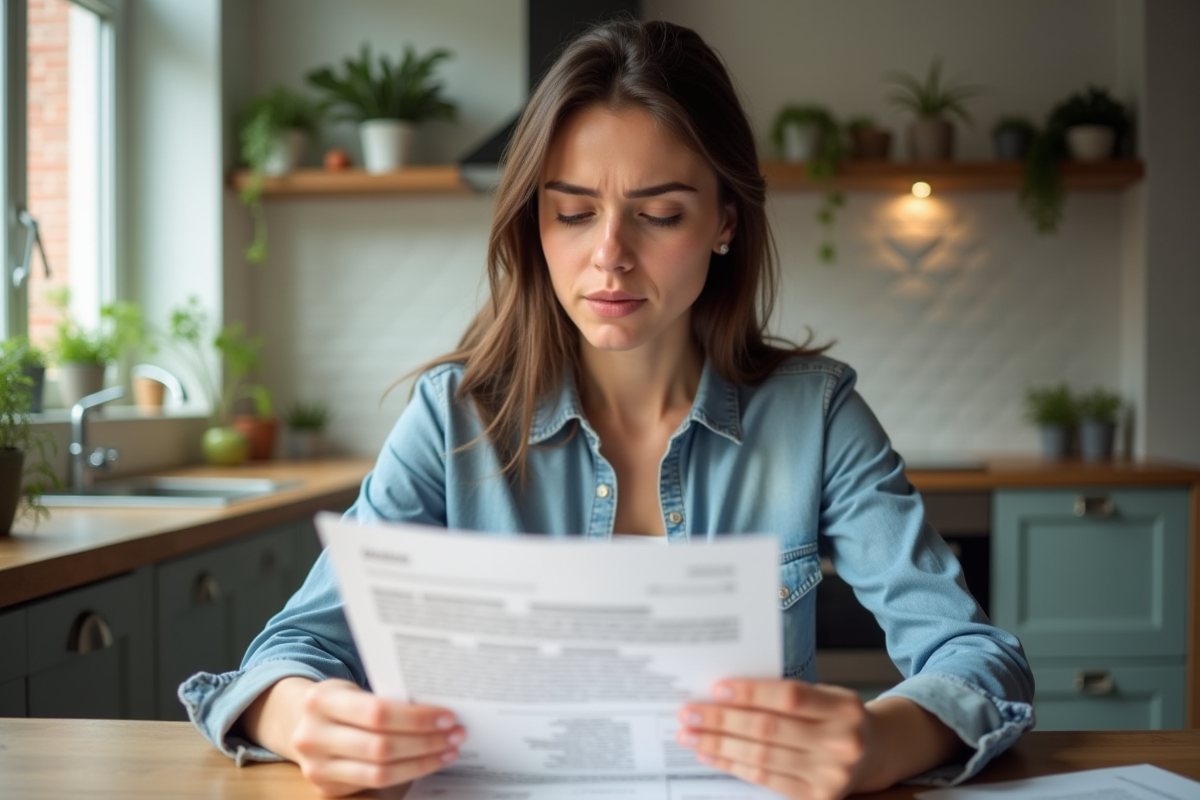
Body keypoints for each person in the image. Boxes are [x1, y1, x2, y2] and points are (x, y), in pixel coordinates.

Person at [181, 18, 1034, 799]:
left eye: (659, 213)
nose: (610, 257)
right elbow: (290, 653)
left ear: (725, 221)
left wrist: (885, 738)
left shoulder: (816, 416)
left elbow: (977, 655)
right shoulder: (453, 419)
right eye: (573, 213)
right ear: (533, 225)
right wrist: (303, 717)